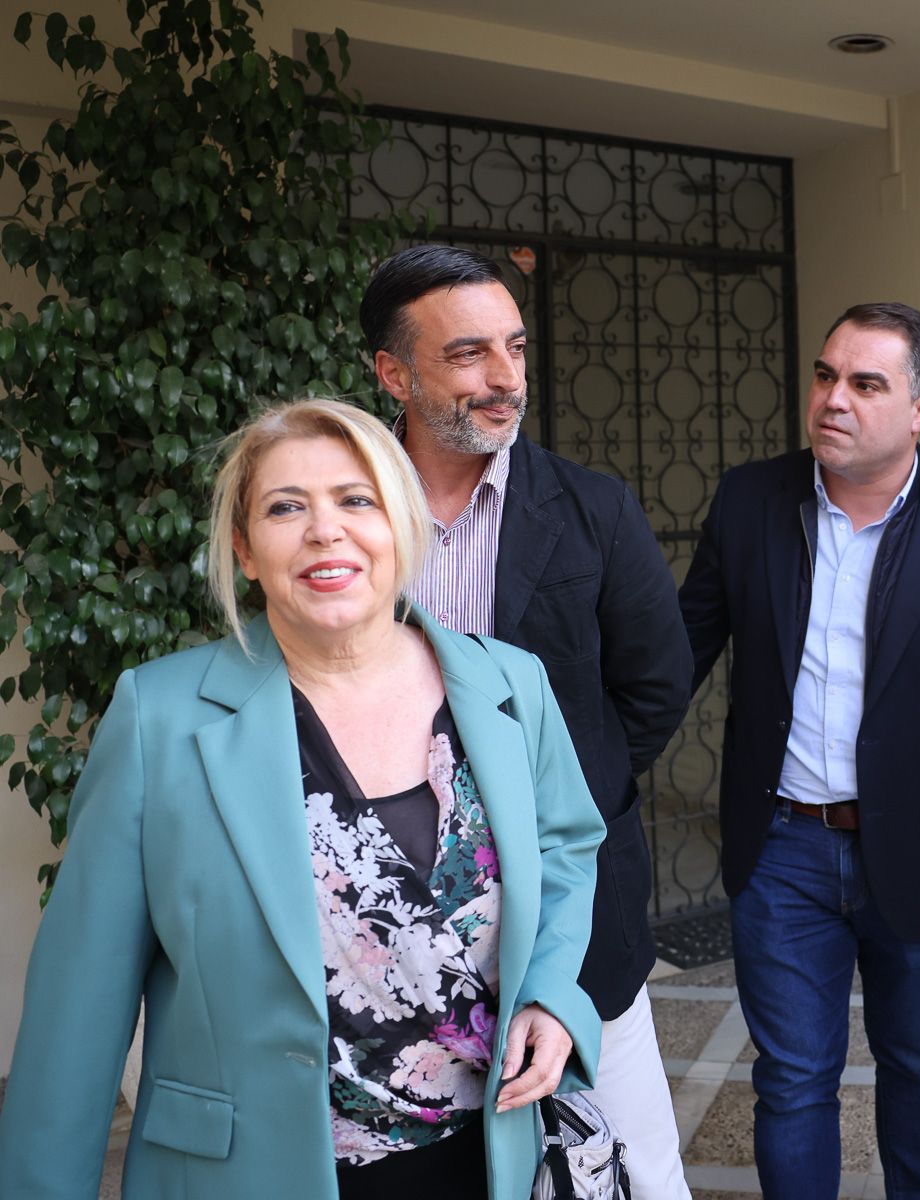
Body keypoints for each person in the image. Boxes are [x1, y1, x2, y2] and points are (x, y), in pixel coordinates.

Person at [0, 399, 606, 1198]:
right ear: (246, 550)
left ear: (403, 525)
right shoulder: (162, 718)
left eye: (357, 500)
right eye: (286, 507)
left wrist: (555, 998)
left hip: (489, 1156)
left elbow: (566, 847)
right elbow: (76, 1014)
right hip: (252, 1173)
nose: (325, 530)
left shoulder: (509, 684)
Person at [678, 302, 920, 1199]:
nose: (833, 399)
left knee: (917, 1062)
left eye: (865, 384)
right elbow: (682, 651)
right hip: (783, 849)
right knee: (794, 1077)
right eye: (826, 375)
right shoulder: (750, 500)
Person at [359, 245, 695, 1199]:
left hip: (576, 906)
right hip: (395, 919)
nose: (506, 377)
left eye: (513, 346)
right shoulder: (345, 514)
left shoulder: (593, 508)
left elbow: (657, 683)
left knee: (631, 1166)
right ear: (394, 372)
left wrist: (555, 807)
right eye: (469, 354)